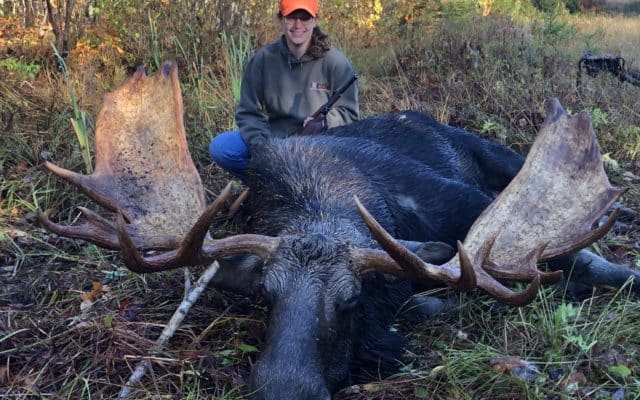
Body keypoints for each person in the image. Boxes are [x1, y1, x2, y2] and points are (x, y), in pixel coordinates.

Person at [209, 0, 359, 181]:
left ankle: (292, 187)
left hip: (321, 145)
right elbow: (248, 112)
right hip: (275, 141)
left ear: (314, 21)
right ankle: (268, 186)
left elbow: (350, 114)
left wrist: (325, 122)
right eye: (291, 17)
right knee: (222, 148)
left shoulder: (336, 62)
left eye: (304, 18)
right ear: (281, 20)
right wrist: (263, 148)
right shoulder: (264, 59)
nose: (298, 25)